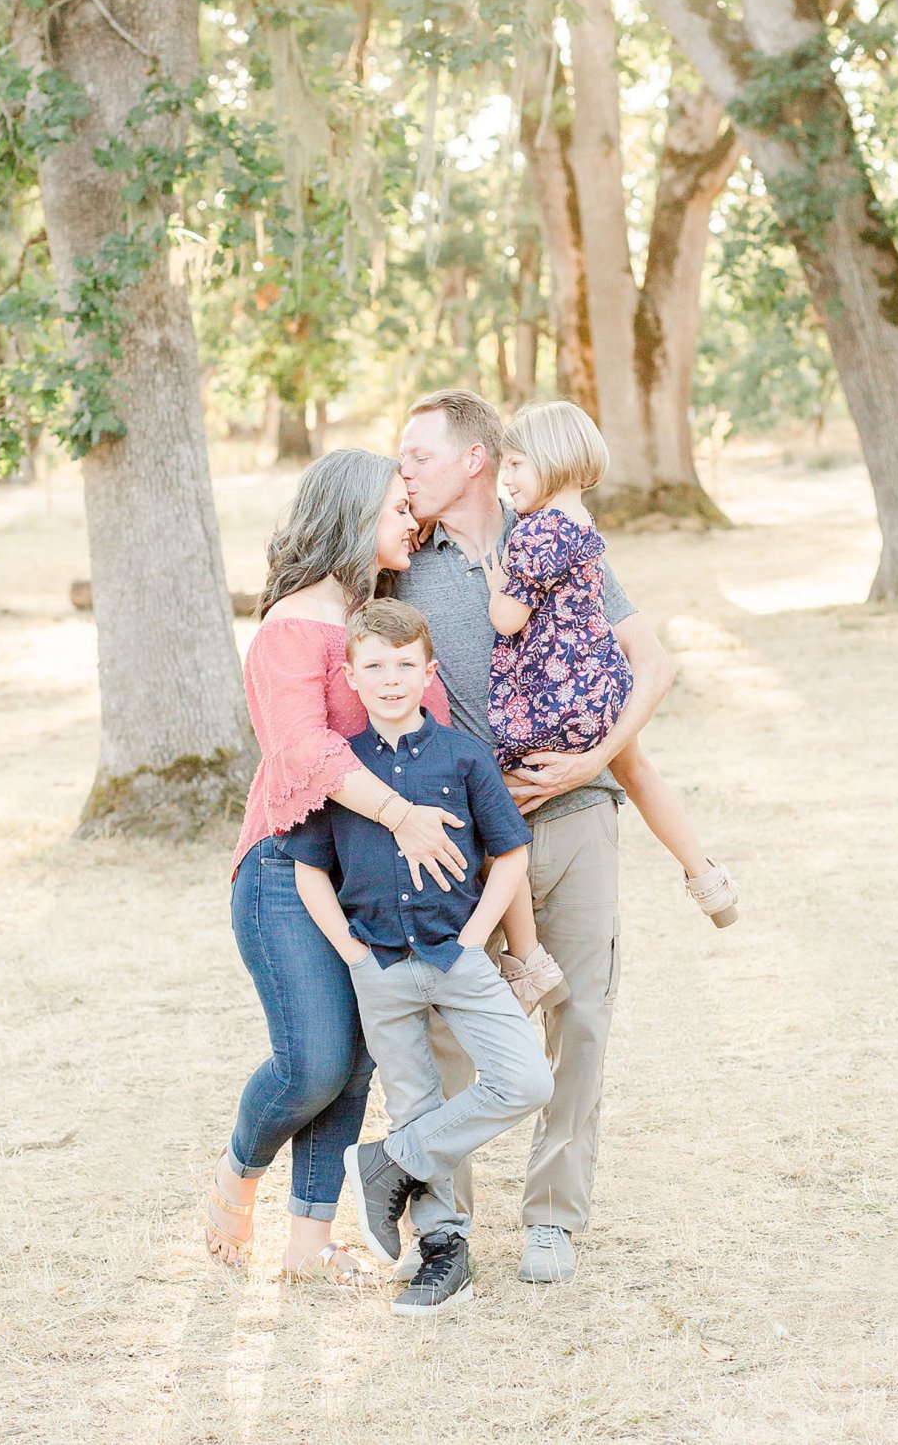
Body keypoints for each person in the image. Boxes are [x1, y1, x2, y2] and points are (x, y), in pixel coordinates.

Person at [389, 388, 674, 1284]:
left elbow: (646, 662)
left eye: (418, 456)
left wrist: (597, 761)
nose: (404, 473)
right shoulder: (401, 567)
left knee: (581, 1014)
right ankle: (444, 1223)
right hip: (465, 836)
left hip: (577, 813)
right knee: (448, 1025)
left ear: (476, 458)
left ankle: (554, 1216)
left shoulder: (554, 537)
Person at [206, 449, 467, 1285]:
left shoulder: (379, 627)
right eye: (397, 507)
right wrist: (398, 814)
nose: (411, 521)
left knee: (357, 1063)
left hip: (368, 879)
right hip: (286, 868)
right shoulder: (294, 626)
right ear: (354, 511)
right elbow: (303, 749)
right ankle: (238, 1173)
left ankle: (309, 1246)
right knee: (313, 1060)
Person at [285, 599, 554, 1316]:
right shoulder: (343, 769)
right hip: (377, 963)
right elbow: (309, 865)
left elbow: (511, 852)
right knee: (413, 1101)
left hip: (456, 954)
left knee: (525, 1079)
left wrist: (474, 939)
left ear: (429, 672)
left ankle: (387, 1163)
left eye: (406, 665)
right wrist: (350, 952)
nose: (391, 679)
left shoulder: (463, 755)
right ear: (351, 676)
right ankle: (442, 1247)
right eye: (374, 666)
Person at [490, 400, 738, 934]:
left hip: (554, 692)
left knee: (500, 789)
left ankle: (525, 952)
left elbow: (508, 620)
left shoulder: (533, 533)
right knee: (638, 771)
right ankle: (705, 876)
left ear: (551, 460)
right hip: (602, 681)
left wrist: (495, 580)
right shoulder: (582, 522)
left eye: (514, 464)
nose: (504, 477)